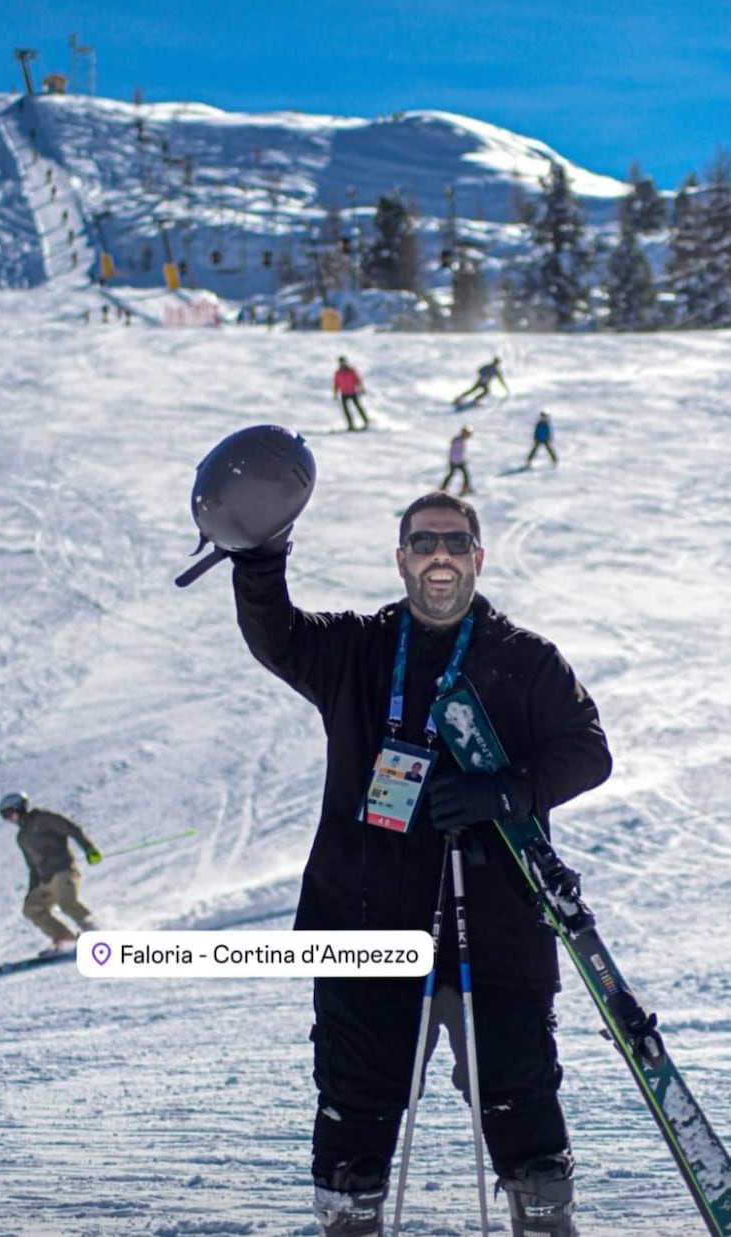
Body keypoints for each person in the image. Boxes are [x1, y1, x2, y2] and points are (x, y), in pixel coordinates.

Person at [229, 491, 612, 1236]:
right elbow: (277, 635)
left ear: (478, 557)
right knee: (355, 1102)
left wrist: (505, 792)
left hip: (497, 926)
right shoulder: (358, 649)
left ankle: (544, 1219)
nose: (441, 555)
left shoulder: (525, 659)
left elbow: (588, 750)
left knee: (519, 1096)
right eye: (425, 542)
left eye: (455, 542)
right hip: (364, 919)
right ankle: (350, 1218)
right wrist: (260, 556)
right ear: (402, 558)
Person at [0, 791, 102, 949]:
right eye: (5, 816)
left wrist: (89, 848)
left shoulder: (42, 818)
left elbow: (71, 828)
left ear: (19, 808)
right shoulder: (22, 837)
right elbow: (32, 867)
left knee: (67, 904)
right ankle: (66, 940)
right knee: (31, 909)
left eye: (9, 813)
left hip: (64, 871)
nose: (9, 819)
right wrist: (32, 891)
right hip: (46, 880)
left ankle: (97, 933)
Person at [333, 357, 370, 431]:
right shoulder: (337, 373)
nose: (342, 364)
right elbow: (336, 384)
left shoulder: (351, 371)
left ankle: (366, 421)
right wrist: (335, 393)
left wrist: (361, 388)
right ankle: (350, 425)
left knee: (358, 407)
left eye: (343, 362)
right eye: (341, 362)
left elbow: (357, 379)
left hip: (352, 392)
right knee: (346, 410)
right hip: (344, 393)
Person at [440, 425, 474, 495]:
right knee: (453, 474)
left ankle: (465, 487)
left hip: (456, 460)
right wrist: (457, 461)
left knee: (463, 474)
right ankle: (443, 488)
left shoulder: (460, 440)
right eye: (468, 434)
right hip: (455, 461)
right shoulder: (458, 440)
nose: (469, 436)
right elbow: (454, 452)